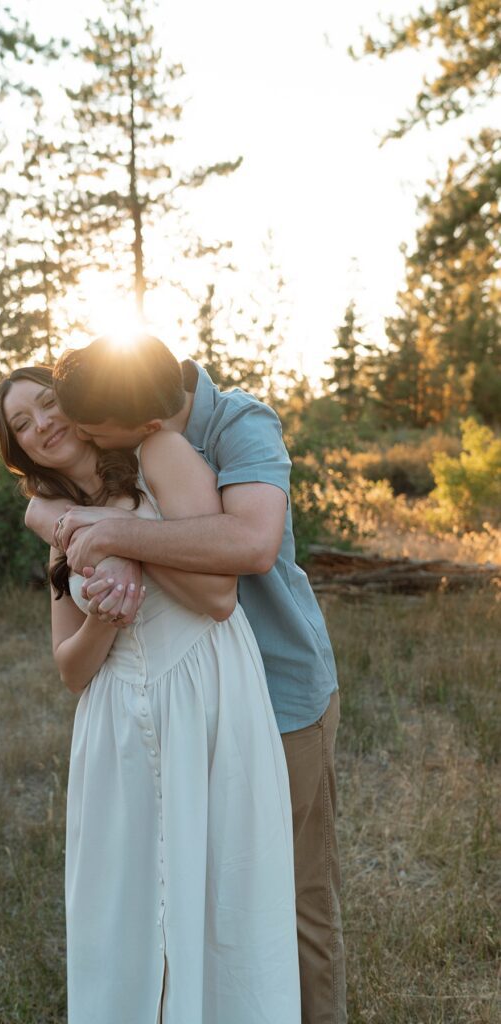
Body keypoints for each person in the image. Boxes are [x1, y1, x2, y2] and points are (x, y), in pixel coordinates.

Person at [25, 336, 346, 1024]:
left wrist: (106, 532)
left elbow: (249, 548)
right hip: (162, 705)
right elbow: (59, 536)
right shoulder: (124, 447)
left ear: (143, 424)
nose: (71, 434)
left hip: (276, 688)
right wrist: (63, 519)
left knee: (288, 900)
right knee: (179, 893)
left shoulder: (236, 425)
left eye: (86, 426)